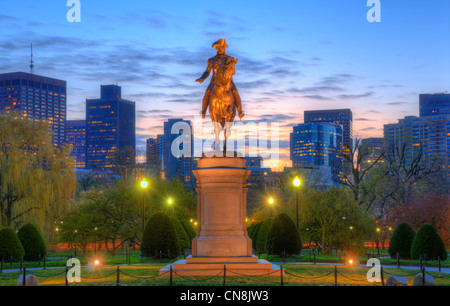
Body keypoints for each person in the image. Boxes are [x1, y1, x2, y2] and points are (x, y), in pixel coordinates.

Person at [196, 39, 244, 119]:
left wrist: (231, 67)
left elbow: (233, 72)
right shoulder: (211, 60)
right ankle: (203, 111)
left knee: (235, 91)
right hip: (214, 81)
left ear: (224, 48)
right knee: (208, 91)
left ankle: (240, 111)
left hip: (228, 81)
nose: (219, 49)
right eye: (218, 47)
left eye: (221, 47)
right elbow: (207, 71)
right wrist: (202, 78)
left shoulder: (229, 59)